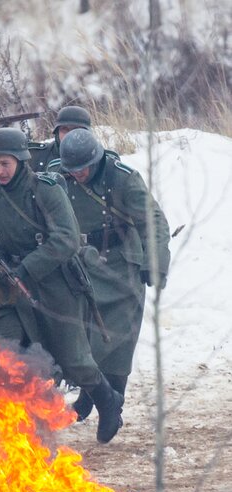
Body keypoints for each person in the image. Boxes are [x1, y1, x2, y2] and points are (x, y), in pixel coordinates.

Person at [0, 127, 124, 444]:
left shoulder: (45, 189)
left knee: (73, 359)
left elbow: (67, 238)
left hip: (56, 284)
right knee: (2, 348)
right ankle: (16, 427)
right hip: (9, 286)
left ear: (21, 160)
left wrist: (28, 268)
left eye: (5, 164)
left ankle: (107, 400)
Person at [57, 128, 171, 421]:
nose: (77, 174)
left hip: (121, 264)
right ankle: (92, 393)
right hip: (81, 262)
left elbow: (153, 219)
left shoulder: (121, 178)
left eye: (82, 167)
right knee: (79, 332)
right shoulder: (57, 176)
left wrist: (155, 261)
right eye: (72, 169)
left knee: (118, 338)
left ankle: (112, 404)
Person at [28, 105, 92, 172]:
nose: (69, 134)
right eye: (65, 129)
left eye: (76, 129)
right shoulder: (38, 156)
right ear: (57, 133)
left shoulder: (96, 156)